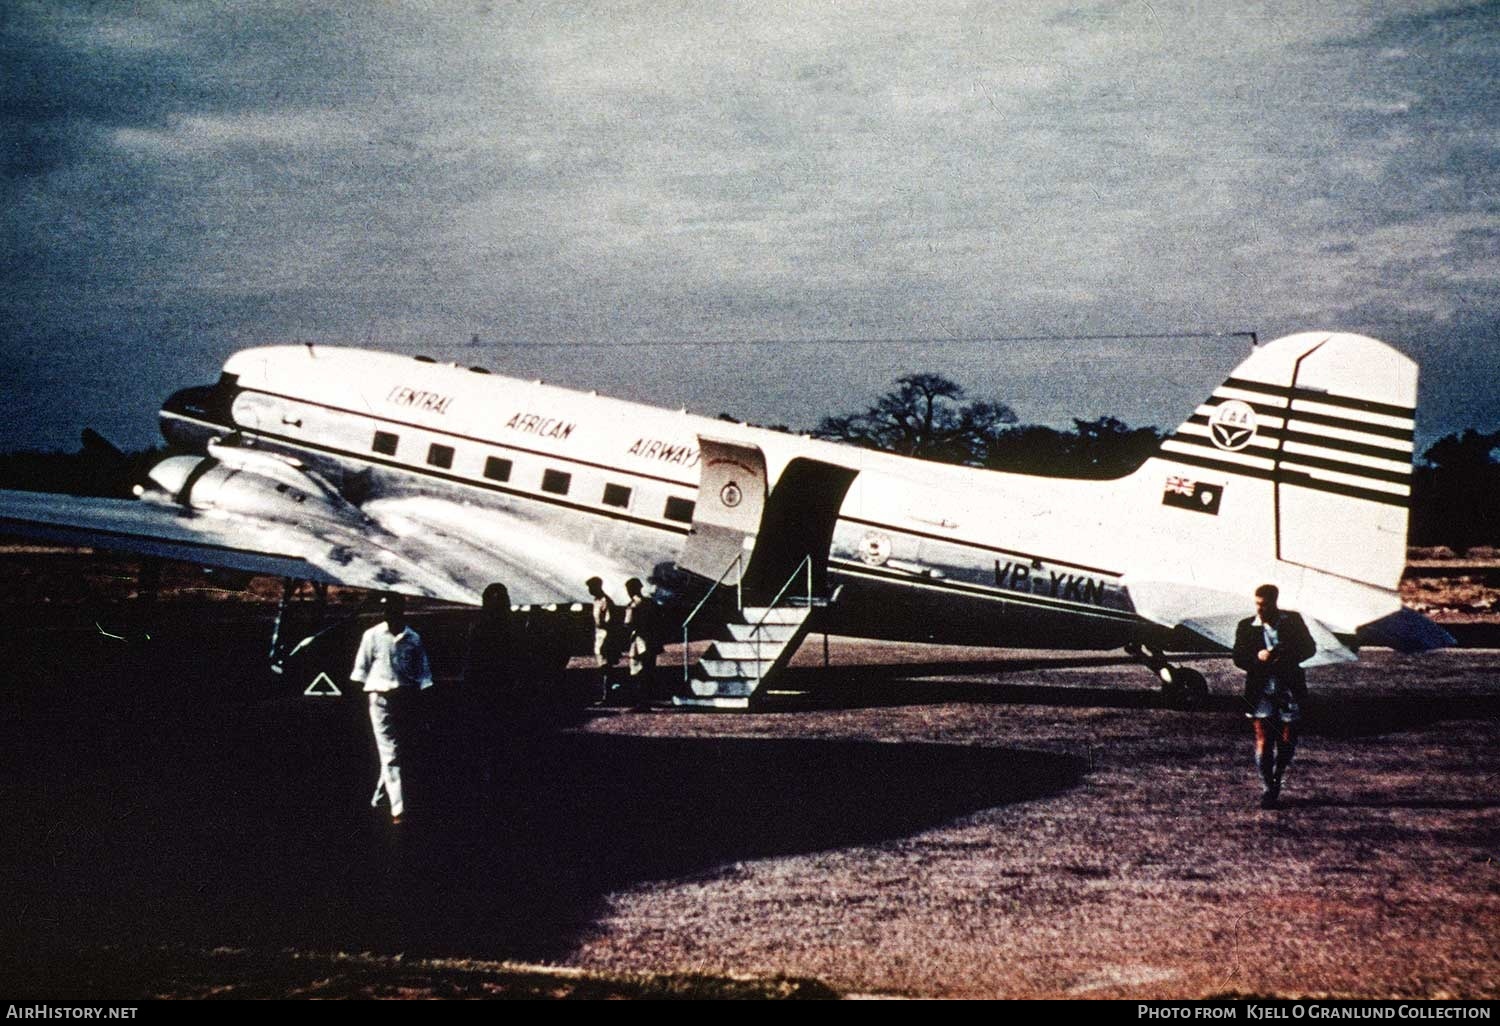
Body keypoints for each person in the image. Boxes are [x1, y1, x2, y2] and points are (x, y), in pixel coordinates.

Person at [351, 592, 433, 824]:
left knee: (398, 750)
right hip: (380, 699)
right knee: (390, 752)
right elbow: (360, 671)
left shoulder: (413, 639)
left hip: (405, 698)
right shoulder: (372, 636)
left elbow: (423, 675)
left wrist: (424, 702)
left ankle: (379, 797)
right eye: (386, 610)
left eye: (394, 610)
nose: (390, 614)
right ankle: (398, 809)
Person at [1232, 583, 1316, 809]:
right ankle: (1269, 787)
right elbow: (1238, 656)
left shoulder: (1293, 621)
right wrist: (1257, 657)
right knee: (1264, 739)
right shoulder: (1246, 626)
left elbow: (1310, 648)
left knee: (1288, 740)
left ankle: (1279, 773)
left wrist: (1286, 654)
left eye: (1264, 605)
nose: (1260, 609)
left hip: (1288, 686)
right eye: (1257, 604)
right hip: (1260, 688)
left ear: (1274, 603)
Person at [622, 577, 660, 708]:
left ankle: (641, 701)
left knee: (639, 672)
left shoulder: (634, 605)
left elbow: (629, 623)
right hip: (649, 640)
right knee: (647, 671)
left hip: (639, 641)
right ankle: (645, 700)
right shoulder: (650, 603)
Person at [586, 576, 621, 704]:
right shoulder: (596, 601)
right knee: (602, 667)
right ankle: (606, 695)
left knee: (606, 667)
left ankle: (608, 696)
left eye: (591, 587)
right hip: (599, 635)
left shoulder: (605, 601)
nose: (589, 590)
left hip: (606, 636)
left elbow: (609, 621)